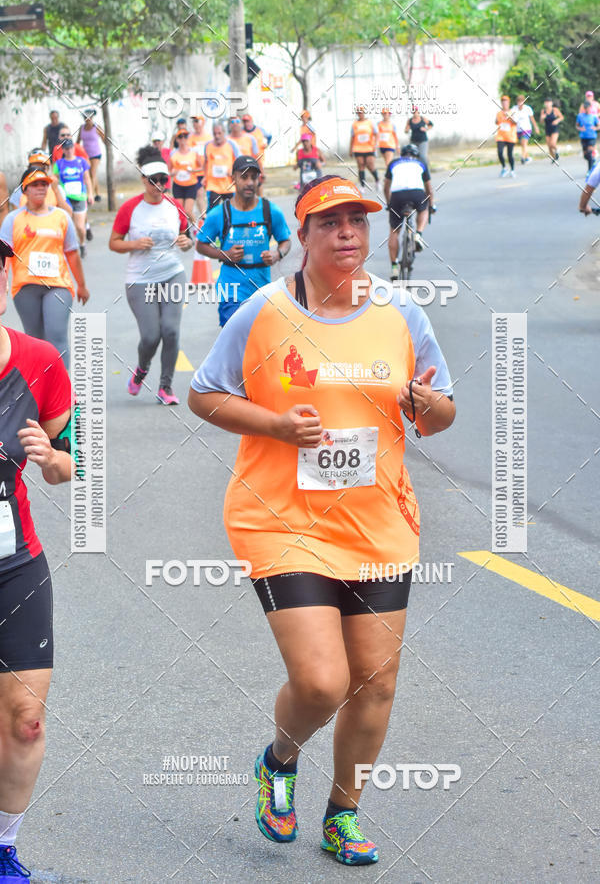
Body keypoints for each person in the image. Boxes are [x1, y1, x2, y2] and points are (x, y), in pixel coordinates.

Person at [188, 173, 455, 867]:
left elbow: (444, 407)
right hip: (281, 518)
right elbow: (206, 393)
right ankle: (279, 760)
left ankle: (343, 813)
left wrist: (429, 404)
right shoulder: (265, 312)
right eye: (330, 222)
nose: (347, 234)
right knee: (322, 681)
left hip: (377, 521)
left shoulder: (403, 313)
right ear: (299, 235)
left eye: (358, 223)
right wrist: (275, 424)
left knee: (377, 679)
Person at [0, 236, 75, 884]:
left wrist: (52, 459)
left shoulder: (40, 361)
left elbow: (67, 463)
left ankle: (3, 845)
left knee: (24, 721)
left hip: (13, 564)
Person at [109, 145, 193, 406]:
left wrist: (185, 242)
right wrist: (134, 244)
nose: (159, 185)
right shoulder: (130, 209)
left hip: (172, 274)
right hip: (140, 279)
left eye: (163, 180)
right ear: (143, 180)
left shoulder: (174, 205)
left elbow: (187, 238)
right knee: (150, 336)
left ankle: (165, 387)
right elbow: (114, 242)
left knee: (170, 331)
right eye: (153, 180)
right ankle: (142, 369)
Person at [0, 168, 88, 367]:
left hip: (58, 285)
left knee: (56, 337)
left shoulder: (62, 217)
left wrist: (81, 285)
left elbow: (73, 254)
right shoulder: (13, 220)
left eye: (44, 184)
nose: (40, 188)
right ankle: (40, 391)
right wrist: (2, 284)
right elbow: (4, 257)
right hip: (25, 286)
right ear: (25, 190)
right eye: (35, 184)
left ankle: (64, 392)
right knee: (35, 341)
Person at [196, 155, 291, 327]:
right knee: (238, 337)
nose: (249, 182)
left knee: (260, 342)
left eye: (254, 177)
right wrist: (225, 254)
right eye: (244, 177)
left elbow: (285, 241)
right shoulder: (219, 213)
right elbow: (201, 245)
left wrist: (277, 254)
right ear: (234, 179)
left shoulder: (270, 210)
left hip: (262, 289)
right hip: (230, 290)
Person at [384, 143, 434, 276]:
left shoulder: (394, 162)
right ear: (416, 154)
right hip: (417, 193)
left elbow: (386, 186)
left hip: (397, 196)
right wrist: (431, 204)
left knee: (394, 231)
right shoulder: (420, 162)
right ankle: (418, 234)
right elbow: (429, 189)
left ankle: (394, 267)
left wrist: (389, 203)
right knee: (424, 209)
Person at [53, 138, 93, 256]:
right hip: (66, 198)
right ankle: (68, 247)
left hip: (80, 197)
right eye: (66, 148)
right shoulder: (59, 164)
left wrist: (90, 193)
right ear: (63, 150)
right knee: (67, 224)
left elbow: (87, 178)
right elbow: (54, 179)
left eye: (71, 148)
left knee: (80, 227)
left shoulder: (81, 162)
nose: (69, 150)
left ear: (74, 148)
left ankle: (82, 243)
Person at [9, 149, 72, 216]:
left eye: (43, 168)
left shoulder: (55, 187)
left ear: (48, 169)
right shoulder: (20, 191)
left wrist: (56, 190)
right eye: (35, 168)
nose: (39, 172)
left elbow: (68, 214)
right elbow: (16, 219)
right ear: (28, 168)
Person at [202, 123, 239, 211]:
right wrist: (205, 176)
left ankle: (230, 225)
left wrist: (233, 172)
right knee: (212, 211)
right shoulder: (208, 145)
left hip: (229, 185)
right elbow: (205, 162)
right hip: (213, 185)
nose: (217, 136)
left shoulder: (231, 144)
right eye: (215, 134)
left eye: (219, 133)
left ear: (224, 133)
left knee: (231, 211)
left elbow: (239, 162)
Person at [168, 128, 202, 221]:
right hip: (178, 185)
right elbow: (169, 171)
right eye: (180, 137)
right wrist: (173, 173)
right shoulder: (173, 153)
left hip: (191, 185)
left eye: (185, 136)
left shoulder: (194, 152)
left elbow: (202, 167)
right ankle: (184, 232)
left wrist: (193, 171)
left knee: (187, 210)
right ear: (177, 139)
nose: (183, 139)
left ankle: (195, 228)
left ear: (187, 138)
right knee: (180, 211)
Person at [76, 109, 105, 202]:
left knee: (92, 173)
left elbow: (104, 139)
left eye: (89, 118)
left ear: (92, 118)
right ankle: (98, 194)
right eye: (85, 118)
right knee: (91, 174)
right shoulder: (81, 128)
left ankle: (90, 195)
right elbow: (78, 141)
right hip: (85, 155)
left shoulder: (97, 127)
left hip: (96, 154)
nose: (87, 119)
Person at [350, 106, 379, 192]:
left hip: (369, 147)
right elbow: (352, 137)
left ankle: (377, 180)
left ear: (364, 112)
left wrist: (375, 144)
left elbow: (376, 134)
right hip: (358, 148)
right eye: (358, 112)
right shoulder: (355, 124)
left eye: (361, 112)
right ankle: (363, 186)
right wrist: (350, 149)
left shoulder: (370, 122)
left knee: (370, 165)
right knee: (361, 165)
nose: (360, 114)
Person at [188, 116, 211, 218]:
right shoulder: (190, 138)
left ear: (203, 122)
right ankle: (203, 215)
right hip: (196, 172)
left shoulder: (209, 137)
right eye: (194, 122)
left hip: (208, 171)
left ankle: (210, 214)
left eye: (197, 121)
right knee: (199, 193)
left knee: (211, 194)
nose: (195, 124)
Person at [510, 95, 540, 164]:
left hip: (527, 128)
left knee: (524, 143)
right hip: (518, 130)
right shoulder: (514, 109)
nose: (520, 103)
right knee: (523, 144)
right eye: (518, 101)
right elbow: (510, 116)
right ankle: (527, 157)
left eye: (521, 101)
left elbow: (532, 119)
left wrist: (536, 127)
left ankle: (522, 158)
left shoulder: (527, 108)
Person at [495, 94, 518, 177]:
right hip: (501, 136)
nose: (504, 104)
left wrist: (509, 116)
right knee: (500, 152)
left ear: (508, 103)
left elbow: (515, 122)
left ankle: (512, 170)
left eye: (506, 102)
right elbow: (496, 122)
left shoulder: (512, 112)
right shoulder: (499, 113)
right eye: (503, 102)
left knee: (509, 154)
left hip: (510, 136)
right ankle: (504, 168)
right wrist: (498, 119)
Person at [576, 101, 600, 172]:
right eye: (585, 108)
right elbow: (577, 126)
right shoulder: (580, 116)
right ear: (584, 108)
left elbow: (598, 125)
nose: (587, 109)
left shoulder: (594, 116)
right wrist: (580, 128)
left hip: (592, 137)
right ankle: (593, 160)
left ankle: (590, 171)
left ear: (590, 108)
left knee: (589, 153)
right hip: (583, 137)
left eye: (588, 108)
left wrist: (595, 128)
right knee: (586, 156)